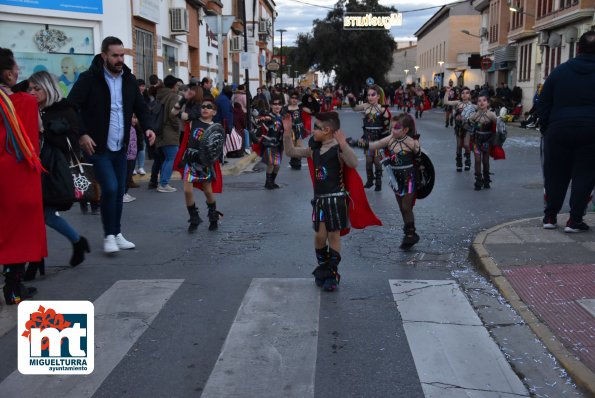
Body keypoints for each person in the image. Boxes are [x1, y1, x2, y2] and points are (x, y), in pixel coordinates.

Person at [68, 36, 156, 254]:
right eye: (115, 55)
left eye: (122, 55)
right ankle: (109, 235)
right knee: (110, 188)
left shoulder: (129, 79)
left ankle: (117, 233)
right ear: (104, 56)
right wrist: (82, 134)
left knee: (118, 192)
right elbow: (71, 108)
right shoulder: (89, 79)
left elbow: (141, 107)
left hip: (120, 145)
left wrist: (148, 127)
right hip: (98, 147)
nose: (119, 60)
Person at [282, 111, 381, 291]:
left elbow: (353, 163)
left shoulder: (338, 149)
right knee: (320, 236)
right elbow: (291, 151)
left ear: (327, 130)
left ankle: (332, 273)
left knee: (333, 235)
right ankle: (323, 267)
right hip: (320, 201)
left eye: (316, 128)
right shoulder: (314, 150)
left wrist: (343, 144)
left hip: (336, 200)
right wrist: (287, 133)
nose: (313, 131)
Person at [27, 70, 91, 275]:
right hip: (31, 169)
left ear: (48, 87)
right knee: (34, 216)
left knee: (44, 214)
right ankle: (40, 256)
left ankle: (71, 243)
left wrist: (45, 130)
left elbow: (71, 143)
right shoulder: (30, 108)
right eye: (30, 88)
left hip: (53, 170)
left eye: (37, 88)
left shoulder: (64, 109)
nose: (32, 92)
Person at [0, 48, 45, 304]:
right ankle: (13, 286)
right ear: (8, 74)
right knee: (18, 232)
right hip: (16, 173)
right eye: (16, 68)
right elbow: (33, 141)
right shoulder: (25, 103)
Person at [538, 31, 595, 232]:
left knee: (555, 174)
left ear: (578, 48)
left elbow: (542, 103)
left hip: (559, 130)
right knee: (585, 175)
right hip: (591, 131)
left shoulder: (559, 71)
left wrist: (546, 128)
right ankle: (574, 220)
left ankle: (550, 217)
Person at [356, 113, 422, 249]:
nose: (393, 130)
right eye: (392, 128)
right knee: (401, 208)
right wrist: (357, 143)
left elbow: (420, 161)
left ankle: (411, 234)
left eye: (397, 128)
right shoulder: (390, 139)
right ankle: (408, 231)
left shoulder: (412, 142)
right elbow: (375, 145)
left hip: (409, 178)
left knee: (406, 207)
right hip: (395, 179)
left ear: (405, 130)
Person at [173, 95, 224, 231]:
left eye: (209, 107)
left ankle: (213, 216)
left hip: (205, 162)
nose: (205, 109)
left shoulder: (216, 128)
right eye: (203, 106)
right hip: (190, 160)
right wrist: (183, 99)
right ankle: (194, 218)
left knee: (208, 191)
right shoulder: (192, 121)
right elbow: (174, 112)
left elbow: (217, 148)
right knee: (187, 190)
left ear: (214, 112)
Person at [349, 84, 391, 191]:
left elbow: (388, 125)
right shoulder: (365, 106)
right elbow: (354, 108)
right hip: (367, 137)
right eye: (368, 95)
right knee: (368, 161)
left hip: (378, 138)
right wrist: (351, 99)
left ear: (378, 96)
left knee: (377, 161)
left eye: (373, 95)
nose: (370, 97)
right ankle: (369, 180)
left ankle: (378, 183)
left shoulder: (382, 108)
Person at [155, 75, 181, 193]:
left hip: (160, 129)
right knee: (172, 158)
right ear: (174, 85)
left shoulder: (160, 95)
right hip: (169, 131)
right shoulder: (173, 96)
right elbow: (173, 114)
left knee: (167, 158)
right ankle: (163, 183)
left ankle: (162, 182)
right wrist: (177, 127)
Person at [254, 94, 285, 189]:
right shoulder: (269, 116)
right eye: (275, 104)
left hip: (280, 144)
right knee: (271, 163)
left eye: (279, 104)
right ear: (271, 105)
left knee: (278, 165)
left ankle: (272, 181)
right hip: (270, 143)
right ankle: (267, 182)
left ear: (282, 106)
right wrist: (261, 119)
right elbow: (260, 120)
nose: (277, 106)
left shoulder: (283, 117)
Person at [468, 93, 498, 190]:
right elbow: (468, 125)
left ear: (488, 103)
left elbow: (499, 128)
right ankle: (478, 180)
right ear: (477, 103)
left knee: (485, 161)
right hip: (477, 141)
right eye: (479, 101)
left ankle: (486, 179)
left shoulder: (491, 115)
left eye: (484, 100)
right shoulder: (474, 115)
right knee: (477, 160)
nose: (481, 103)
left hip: (487, 142)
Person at [443, 85, 476, 172]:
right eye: (463, 93)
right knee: (458, 146)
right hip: (458, 128)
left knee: (466, 145)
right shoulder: (458, 103)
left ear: (469, 95)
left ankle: (468, 162)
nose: (465, 95)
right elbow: (446, 102)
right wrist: (447, 91)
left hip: (468, 128)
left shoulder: (473, 106)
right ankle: (459, 164)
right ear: (460, 95)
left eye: (467, 93)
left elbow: (482, 110)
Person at [284, 89, 306, 170]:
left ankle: (298, 161)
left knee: (299, 145)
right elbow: (283, 119)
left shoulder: (300, 107)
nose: (294, 99)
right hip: (290, 130)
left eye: (296, 98)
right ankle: (293, 161)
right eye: (292, 98)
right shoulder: (286, 108)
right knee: (292, 145)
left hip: (299, 128)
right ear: (290, 99)